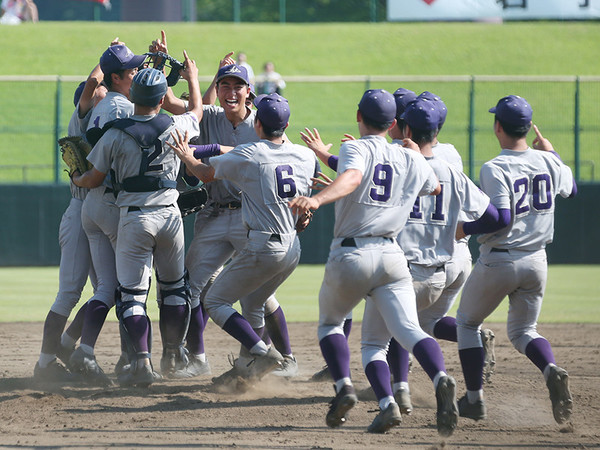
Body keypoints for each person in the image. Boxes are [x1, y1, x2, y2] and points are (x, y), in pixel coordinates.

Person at [289, 89, 459, 436]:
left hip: (352, 253)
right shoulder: (410, 157)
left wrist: (318, 199)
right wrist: (413, 155)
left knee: (332, 325)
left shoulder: (357, 147)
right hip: (393, 257)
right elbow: (436, 189)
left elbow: (352, 178)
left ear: (358, 117)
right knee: (410, 330)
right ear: (394, 123)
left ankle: (344, 389)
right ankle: (439, 378)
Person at [168, 93, 319, 385]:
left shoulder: (252, 153)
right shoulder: (305, 155)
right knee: (254, 303)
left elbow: (205, 174)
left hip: (264, 245)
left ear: (257, 123)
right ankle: (247, 368)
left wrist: (187, 155)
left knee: (215, 300)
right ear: (286, 125)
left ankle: (262, 352)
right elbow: (305, 198)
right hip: (292, 247)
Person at [72, 60, 202, 387]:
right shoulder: (177, 125)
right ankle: (173, 354)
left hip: (133, 217)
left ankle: (141, 361)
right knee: (174, 288)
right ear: (161, 100)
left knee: (132, 296)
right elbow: (198, 110)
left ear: (134, 97)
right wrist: (194, 78)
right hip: (170, 216)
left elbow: (94, 177)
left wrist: (77, 177)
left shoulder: (116, 134)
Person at [455, 95, 576, 424]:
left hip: (501, 259)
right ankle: (550, 368)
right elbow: (573, 189)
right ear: (528, 127)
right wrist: (552, 153)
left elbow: (500, 219)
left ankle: (474, 400)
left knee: (466, 324)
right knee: (524, 331)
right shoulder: (548, 161)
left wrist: (465, 228)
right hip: (537, 261)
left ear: (498, 127)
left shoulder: (495, 167)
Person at [392, 95, 501, 414]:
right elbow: (493, 214)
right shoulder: (449, 152)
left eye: (398, 120)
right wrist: (465, 229)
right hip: (457, 257)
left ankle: (401, 389)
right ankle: (473, 339)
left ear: (405, 126)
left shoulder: (401, 157)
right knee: (429, 320)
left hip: (423, 252)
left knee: (400, 322)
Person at [68, 42, 146, 385]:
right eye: (132, 71)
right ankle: (134, 360)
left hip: (91, 204)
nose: (138, 73)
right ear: (116, 78)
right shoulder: (123, 109)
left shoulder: (101, 108)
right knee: (133, 288)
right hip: (115, 203)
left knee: (108, 289)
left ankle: (81, 349)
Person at [33, 64, 107, 382]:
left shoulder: (107, 126)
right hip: (79, 213)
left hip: (98, 213)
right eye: (99, 98)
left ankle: (64, 345)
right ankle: (45, 362)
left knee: (110, 289)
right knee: (69, 293)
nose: (104, 101)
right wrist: (110, 58)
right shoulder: (81, 119)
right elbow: (92, 83)